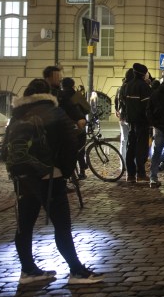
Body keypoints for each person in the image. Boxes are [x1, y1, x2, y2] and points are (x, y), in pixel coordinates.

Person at [5, 79, 102, 284]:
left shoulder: (17, 115)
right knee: (62, 225)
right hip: (50, 176)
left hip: (23, 177)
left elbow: (6, 148)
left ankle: (28, 270)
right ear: (49, 94)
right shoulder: (54, 112)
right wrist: (65, 171)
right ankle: (76, 270)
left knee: (24, 225)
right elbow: (71, 143)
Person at [121, 62, 153, 183]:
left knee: (131, 146)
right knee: (141, 148)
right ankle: (141, 173)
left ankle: (130, 174)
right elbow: (147, 106)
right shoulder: (144, 86)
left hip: (131, 120)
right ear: (143, 74)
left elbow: (124, 103)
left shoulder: (127, 85)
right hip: (142, 121)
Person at [57, 76, 88, 178]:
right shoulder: (76, 95)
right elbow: (87, 109)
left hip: (66, 127)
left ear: (62, 86)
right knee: (81, 149)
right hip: (79, 125)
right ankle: (82, 171)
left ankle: (70, 172)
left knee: (69, 149)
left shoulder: (60, 96)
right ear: (73, 85)